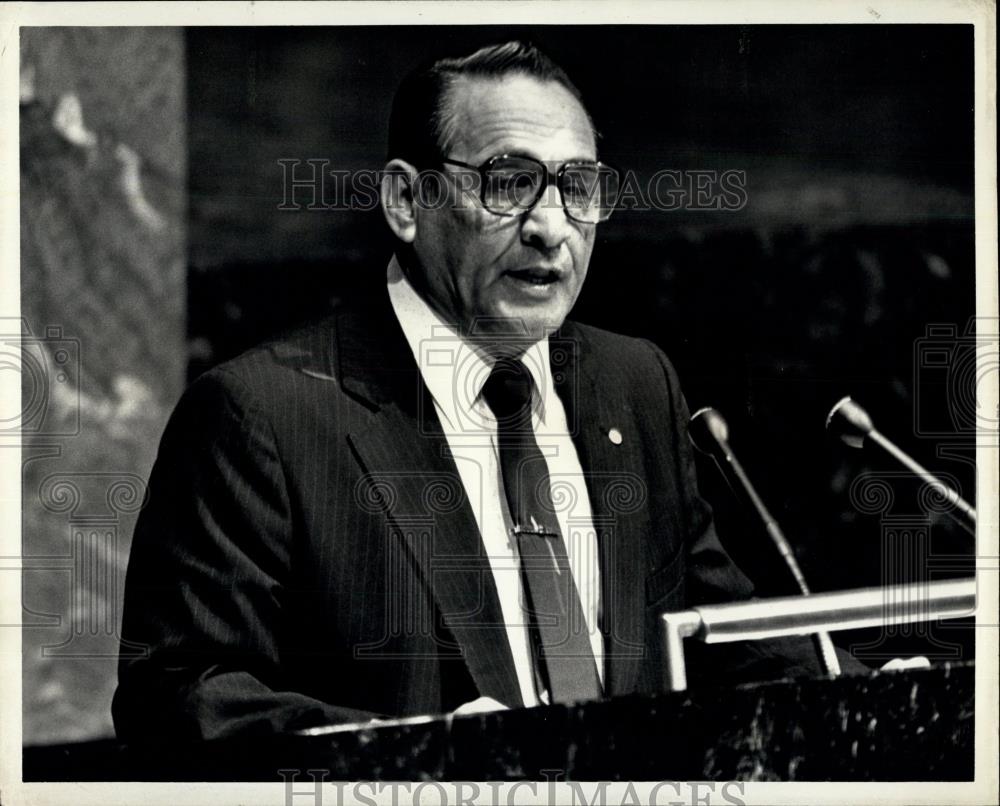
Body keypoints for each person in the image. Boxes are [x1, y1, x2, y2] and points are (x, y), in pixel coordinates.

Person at [113, 41, 861, 744]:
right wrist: (428, 755)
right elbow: (179, 695)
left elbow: (715, 627)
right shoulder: (267, 414)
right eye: (509, 184)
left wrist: (863, 689)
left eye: (578, 187)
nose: (550, 228)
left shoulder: (632, 383)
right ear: (407, 201)